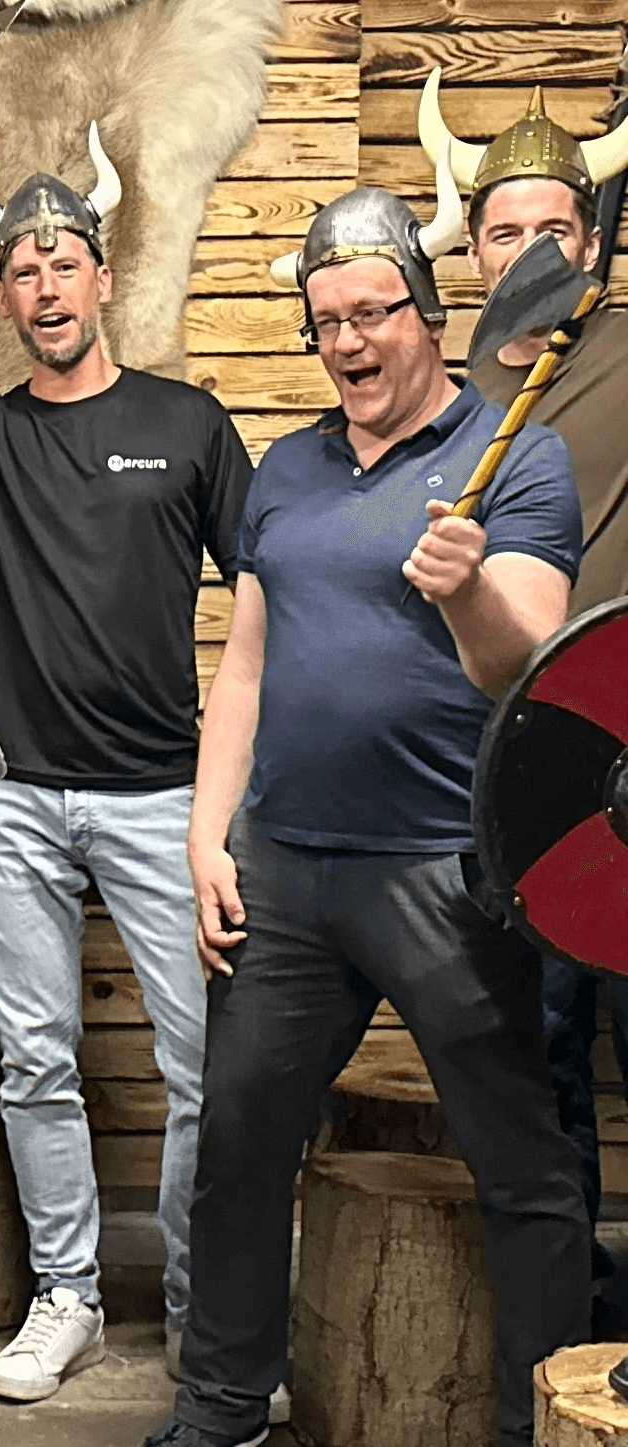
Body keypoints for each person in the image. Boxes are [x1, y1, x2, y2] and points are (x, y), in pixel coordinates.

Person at [144, 158, 591, 1447]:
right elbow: (242, 666)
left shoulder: (516, 452)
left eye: (371, 313)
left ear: (425, 315)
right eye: (325, 320)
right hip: (281, 871)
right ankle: (221, 1405)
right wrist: (203, 831)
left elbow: (527, 658)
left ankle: (533, 1421)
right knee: (236, 1144)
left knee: (519, 1163)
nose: (347, 341)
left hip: (445, 870)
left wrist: (462, 585)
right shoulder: (282, 469)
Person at [0, 115, 254, 1401]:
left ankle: (201, 1310)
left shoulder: (187, 425)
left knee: (202, 1070)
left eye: (63, 261)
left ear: (102, 276)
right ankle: (65, 1296)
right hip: (11, 796)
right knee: (34, 1061)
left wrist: (232, 795)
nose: (44, 285)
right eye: (21, 270)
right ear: (6, 294)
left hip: (164, 800)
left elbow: (264, 599)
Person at [421, 72, 628, 1300]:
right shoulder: (450, 390)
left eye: (548, 228)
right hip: (511, 765)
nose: (523, 251)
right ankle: (574, 1307)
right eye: (501, 230)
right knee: (540, 1046)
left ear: (590, 236)